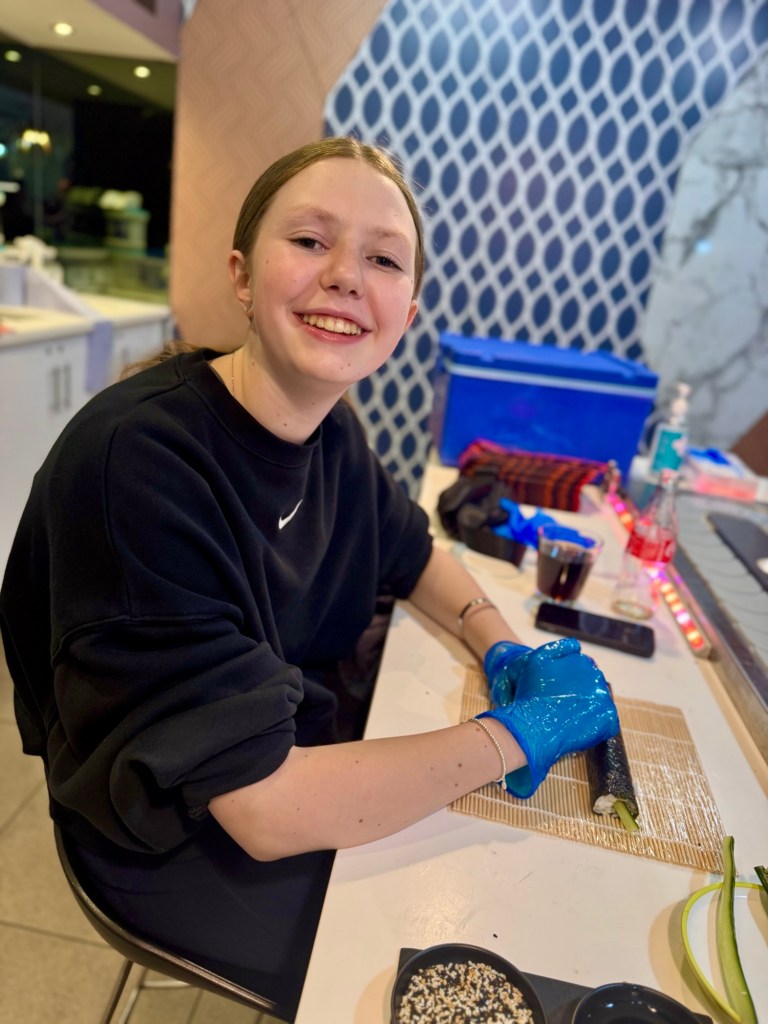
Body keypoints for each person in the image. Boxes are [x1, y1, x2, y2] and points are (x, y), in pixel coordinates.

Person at [0, 136, 618, 1021]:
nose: (345, 276)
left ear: (406, 313)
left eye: (383, 259)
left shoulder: (333, 433)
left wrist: (500, 644)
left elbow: (414, 554)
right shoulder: (138, 464)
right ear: (243, 276)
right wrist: (516, 736)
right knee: (454, 961)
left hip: (280, 743)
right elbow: (266, 809)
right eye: (309, 240)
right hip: (171, 831)